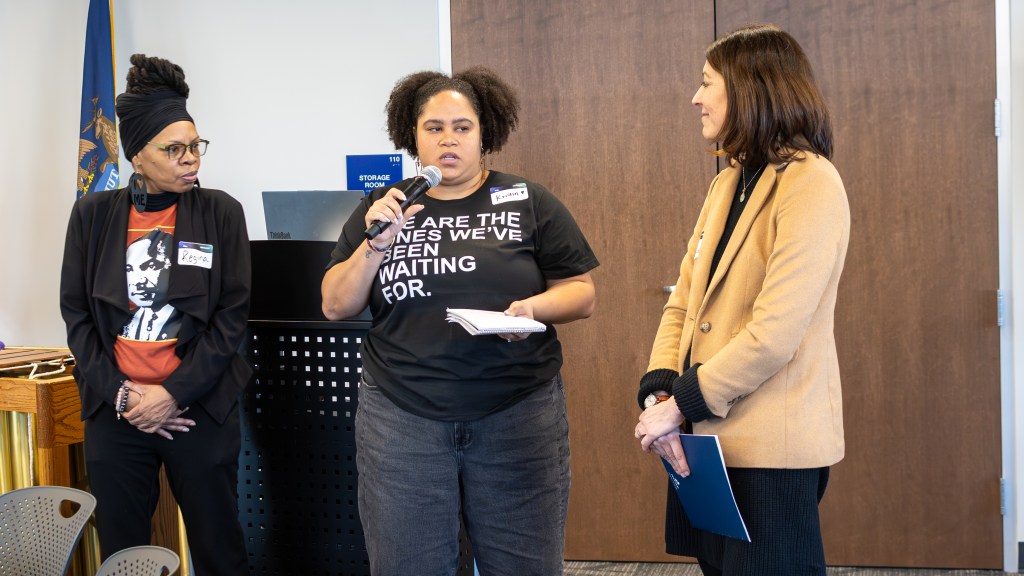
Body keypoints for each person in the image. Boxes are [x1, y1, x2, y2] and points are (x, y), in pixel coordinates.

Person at [322, 66, 598, 575]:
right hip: (402, 418)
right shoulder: (383, 207)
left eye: (462, 127)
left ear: (483, 133)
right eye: (434, 128)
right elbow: (336, 305)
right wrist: (377, 242)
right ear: (413, 136)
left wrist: (532, 309)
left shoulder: (530, 201)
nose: (448, 139)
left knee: (523, 566)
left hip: (516, 412)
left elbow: (581, 294)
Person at [633, 24, 849, 575]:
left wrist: (680, 405)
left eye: (707, 82)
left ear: (751, 89)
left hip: (772, 449)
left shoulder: (811, 183)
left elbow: (775, 333)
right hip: (706, 439)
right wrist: (660, 391)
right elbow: (683, 302)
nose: (696, 97)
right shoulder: (727, 183)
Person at [60, 53, 252, 574]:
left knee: (218, 547)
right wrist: (122, 395)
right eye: (174, 149)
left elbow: (231, 318)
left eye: (195, 146)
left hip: (197, 407)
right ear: (137, 157)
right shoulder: (92, 216)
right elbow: (77, 316)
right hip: (116, 410)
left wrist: (171, 395)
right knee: (123, 553)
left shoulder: (221, 212)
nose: (190, 160)